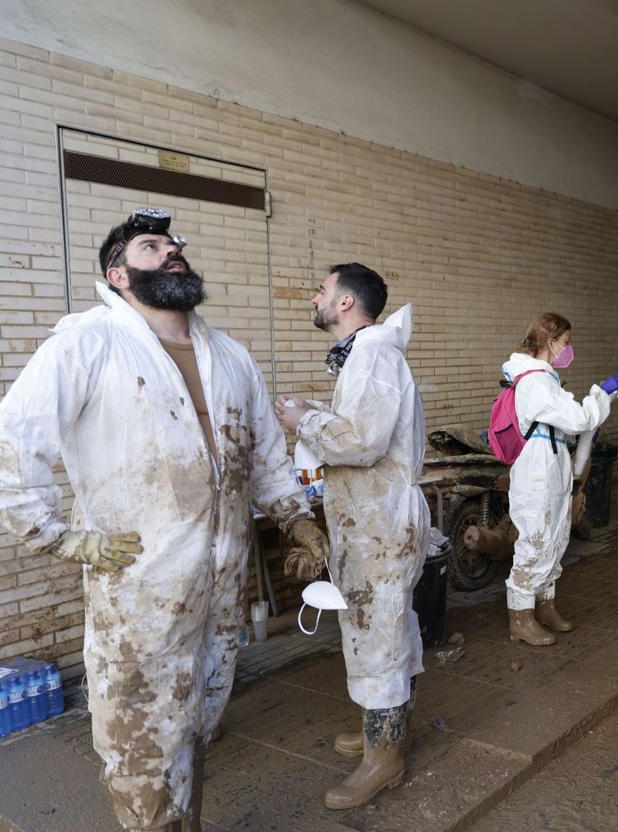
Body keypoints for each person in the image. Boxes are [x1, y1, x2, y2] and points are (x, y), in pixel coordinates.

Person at [0, 208, 328, 832]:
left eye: (174, 243)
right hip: (140, 589)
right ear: (118, 273)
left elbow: (264, 452)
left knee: (198, 724)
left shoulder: (229, 355)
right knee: (140, 741)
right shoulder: (87, 342)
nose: (172, 250)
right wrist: (61, 537)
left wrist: (296, 518)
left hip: (221, 586)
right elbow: (14, 441)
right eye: (151, 246)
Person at [274, 263, 429, 810]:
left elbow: (362, 441)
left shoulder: (372, 354)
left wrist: (303, 422)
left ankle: (383, 760)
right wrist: (316, 411)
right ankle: (380, 731)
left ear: (345, 303)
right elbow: (367, 428)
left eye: (322, 290)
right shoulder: (364, 356)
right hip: (374, 522)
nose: (315, 297)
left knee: (376, 632)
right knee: (382, 625)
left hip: (380, 524)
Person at [499, 313, 618, 646]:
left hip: (550, 466)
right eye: (565, 343)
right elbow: (577, 418)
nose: (568, 349)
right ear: (550, 342)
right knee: (535, 541)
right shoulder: (534, 380)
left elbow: (567, 423)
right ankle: (520, 618)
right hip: (536, 471)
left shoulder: (545, 378)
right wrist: (600, 397)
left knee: (554, 538)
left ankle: (545, 606)